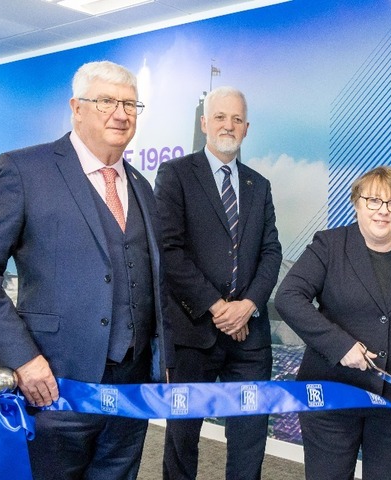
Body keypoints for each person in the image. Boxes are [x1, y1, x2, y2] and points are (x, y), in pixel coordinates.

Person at [0, 60, 172, 479]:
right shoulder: (25, 170)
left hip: (130, 389)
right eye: (106, 101)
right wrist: (23, 359)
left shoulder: (142, 187)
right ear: (77, 107)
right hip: (55, 384)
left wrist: (160, 366)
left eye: (130, 104)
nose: (121, 113)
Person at [275, 166, 391, 480]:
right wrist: (340, 346)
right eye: (373, 201)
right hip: (332, 395)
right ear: (357, 204)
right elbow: (289, 297)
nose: (383, 211)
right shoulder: (328, 245)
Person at [155, 86, 282, 480]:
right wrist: (216, 306)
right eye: (221, 117)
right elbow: (170, 250)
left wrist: (248, 306)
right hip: (194, 332)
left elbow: (271, 253)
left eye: (237, 119)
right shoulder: (175, 174)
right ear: (204, 123)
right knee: (182, 437)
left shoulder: (258, 186)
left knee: (249, 439)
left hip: (250, 337)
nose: (229, 126)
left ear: (246, 128)